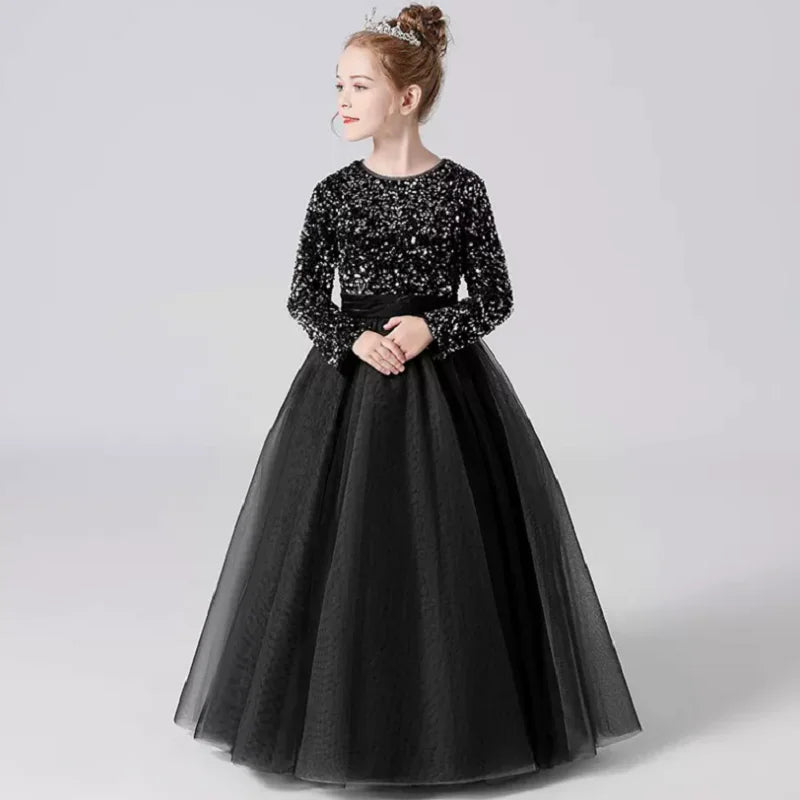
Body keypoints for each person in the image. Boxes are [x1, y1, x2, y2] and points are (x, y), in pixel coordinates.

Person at [173, 3, 642, 788]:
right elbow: (303, 296)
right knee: (339, 548)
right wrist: (350, 336)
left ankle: (454, 720)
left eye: (359, 86)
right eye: (339, 86)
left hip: (446, 396)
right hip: (346, 392)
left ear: (408, 97)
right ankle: (337, 713)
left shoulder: (461, 191)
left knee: (448, 546)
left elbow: (494, 296)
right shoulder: (333, 195)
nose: (342, 101)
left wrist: (433, 327)